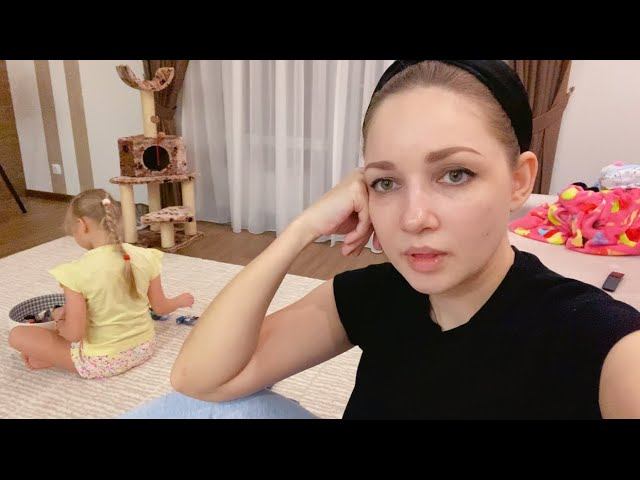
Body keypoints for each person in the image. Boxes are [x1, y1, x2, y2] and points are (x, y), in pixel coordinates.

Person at [123, 60, 640, 419]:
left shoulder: (601, 341)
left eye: (455, 174)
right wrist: (302, 228)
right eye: (386, 182)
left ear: (520, 181)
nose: (414, 218)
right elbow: (201, 380)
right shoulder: (378, 294)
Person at [9, 188, 194, 379]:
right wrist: (179, 301)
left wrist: (59, 321)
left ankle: (56, 359)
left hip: (101, 361)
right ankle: (54, 357)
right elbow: (161, 307)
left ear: (82, 225)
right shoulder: (146, 256)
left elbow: (74, 335)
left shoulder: (75, 272)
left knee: (16, 335)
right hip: (143, 348)